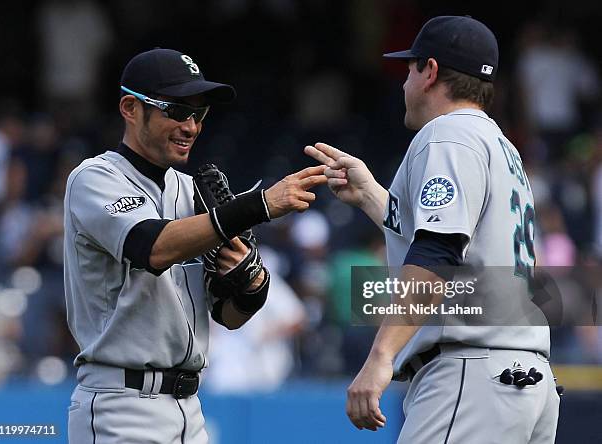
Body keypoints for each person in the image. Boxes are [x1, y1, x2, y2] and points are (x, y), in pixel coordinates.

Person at [306, 16, 560, 443]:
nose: (404, 81)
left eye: (410, 67)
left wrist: (380, 356)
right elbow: (458, 244)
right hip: (524, 379)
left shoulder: (448, 135)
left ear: (431, 71)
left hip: (473, 373)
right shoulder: (499, 145)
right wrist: (372, 195)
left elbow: (438, 254)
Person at [64, 48, 327, 444]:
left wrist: (249, 287)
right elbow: (152, 248)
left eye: (198, 114)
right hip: (121, 404)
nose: (191, 126)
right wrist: (259, 205)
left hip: (190, 409)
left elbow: (228, 316)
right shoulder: (95, 178)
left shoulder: (190, 191)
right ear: (130, 108)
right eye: (176, 110)